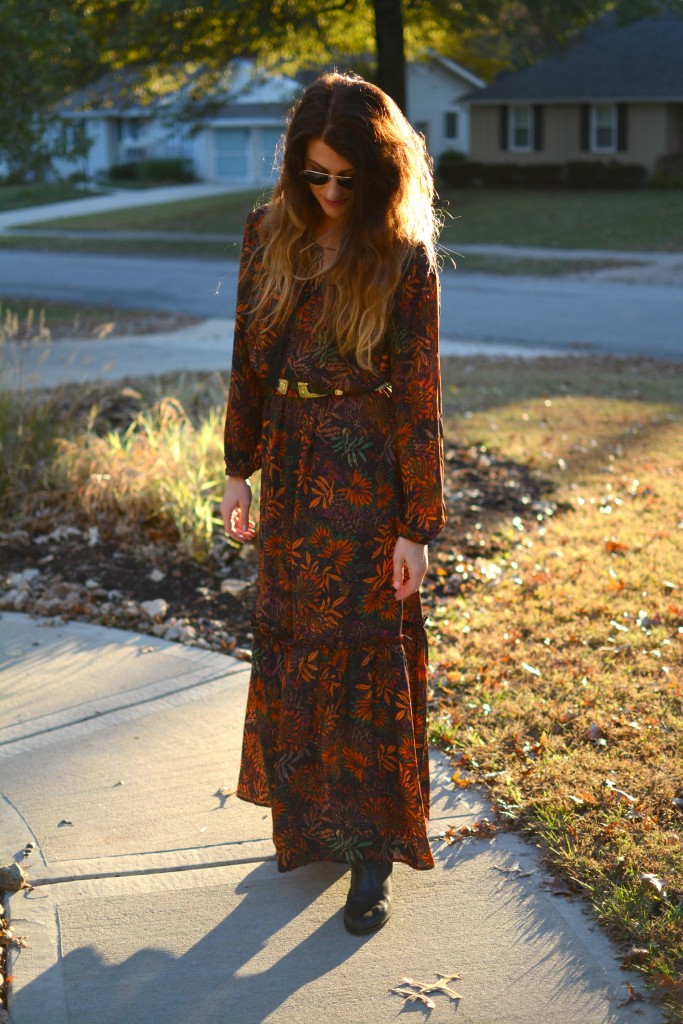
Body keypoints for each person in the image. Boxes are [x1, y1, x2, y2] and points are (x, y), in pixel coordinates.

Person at [220, 71, 447, 936]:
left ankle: (370, 861)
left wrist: (415, 526)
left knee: (362, 658)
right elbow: (247, 355)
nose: (329, 193)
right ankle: (314, 822)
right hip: (291, 458)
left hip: (366, 474)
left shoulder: (401, 254)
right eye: (314, 175)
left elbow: (419, 396)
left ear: (381, 174)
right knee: (298, 647)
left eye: (347, 179)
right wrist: (239, 465)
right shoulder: (267, 233)